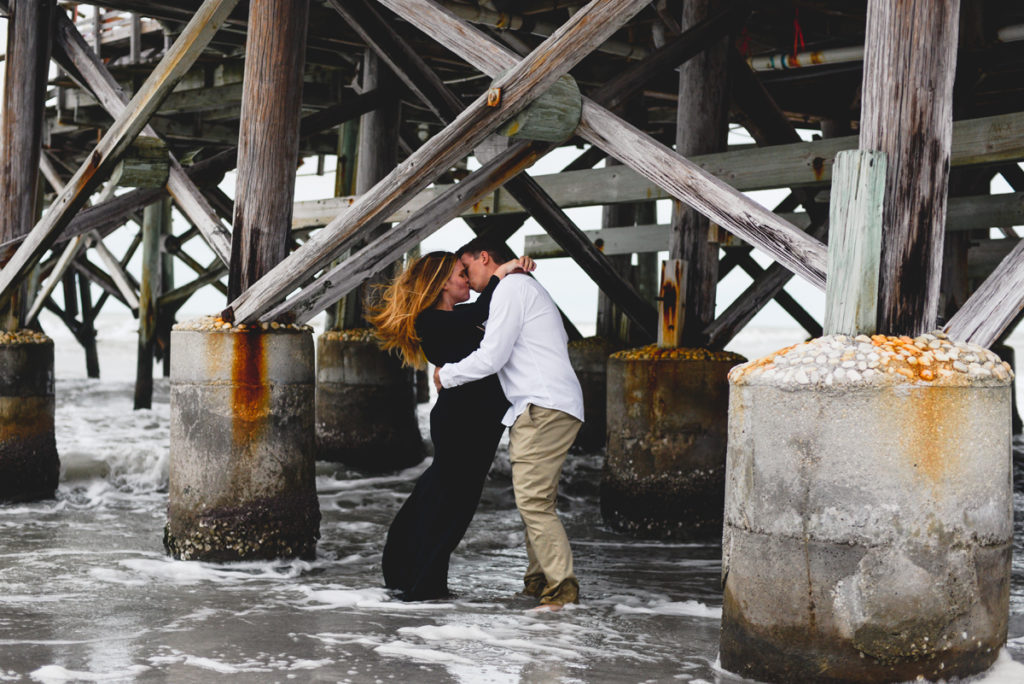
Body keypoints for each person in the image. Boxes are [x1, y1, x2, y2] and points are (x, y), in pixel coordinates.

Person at [368, 250, 532, 600]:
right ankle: (417, 583)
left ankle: (415, 578)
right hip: (463, 422)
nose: (466, 279)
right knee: (450, 506)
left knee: (447, 501)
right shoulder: (432, 320)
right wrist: (501, 272)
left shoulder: (456, 317)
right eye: (461, 273)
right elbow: (483, 310)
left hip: (475, 420)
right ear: (443, 282)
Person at [435, 236, 584, 609]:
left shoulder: (512, 289)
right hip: (544, 404)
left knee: (533, 501)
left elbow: (492, 356)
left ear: (483, 257)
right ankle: (538, 582)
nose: (466, 279)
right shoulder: (521, 286)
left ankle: (561, 589)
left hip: (543, 404)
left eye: (466, 268)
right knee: (536, 500)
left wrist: (445, 376)